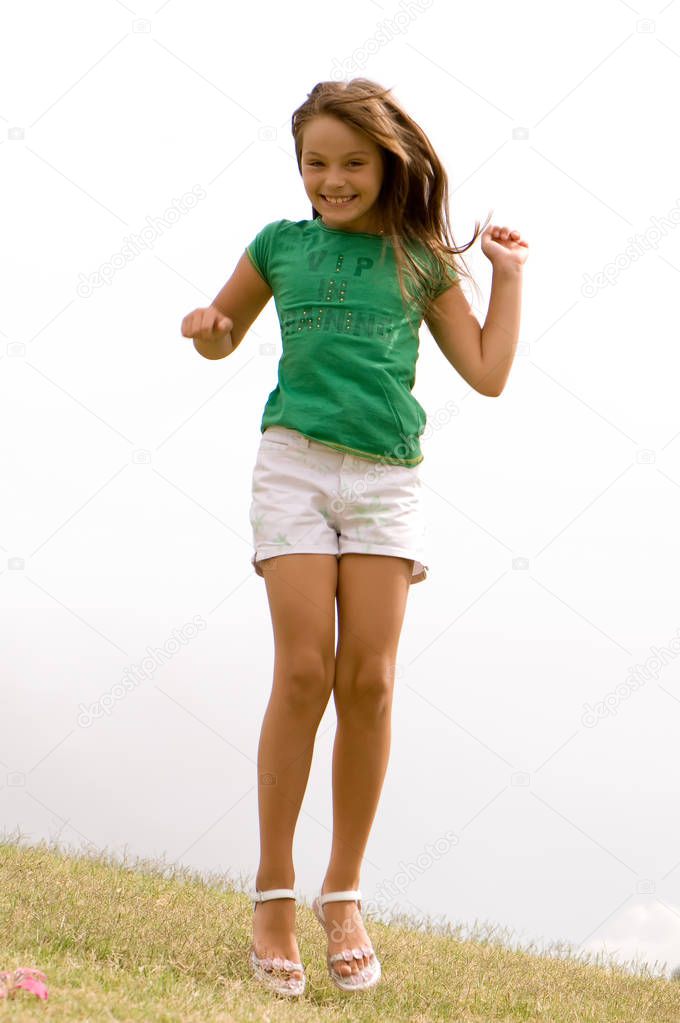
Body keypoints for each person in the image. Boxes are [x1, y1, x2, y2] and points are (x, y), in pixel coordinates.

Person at [180, 77, 528, 999]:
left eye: (351, 164)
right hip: (293, 464)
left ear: (389, 164)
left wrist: (510, 276)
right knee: (303, 670)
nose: (331, 180)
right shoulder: (278, 247)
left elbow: (488, 373)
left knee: (367, 679)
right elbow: (224, 332)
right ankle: (272, 894)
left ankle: (344, 894)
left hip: (385, 481)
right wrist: (208, 331)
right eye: (315, 164)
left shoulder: (420, 259)